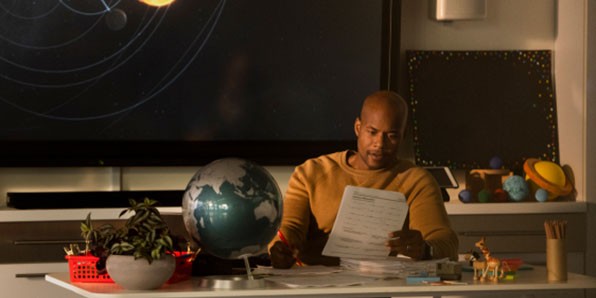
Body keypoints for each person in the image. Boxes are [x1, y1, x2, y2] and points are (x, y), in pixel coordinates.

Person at [268, 90, 458, 268]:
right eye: (372, 132)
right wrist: (280, 247)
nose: (379, 144)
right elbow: (291, 227)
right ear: (358, 127)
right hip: (314, 287)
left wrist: (426, 249)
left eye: (391, 136)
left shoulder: (416, 181)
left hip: (376, 287)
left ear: (403, 136)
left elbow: (445, 241)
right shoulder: (311, 172)